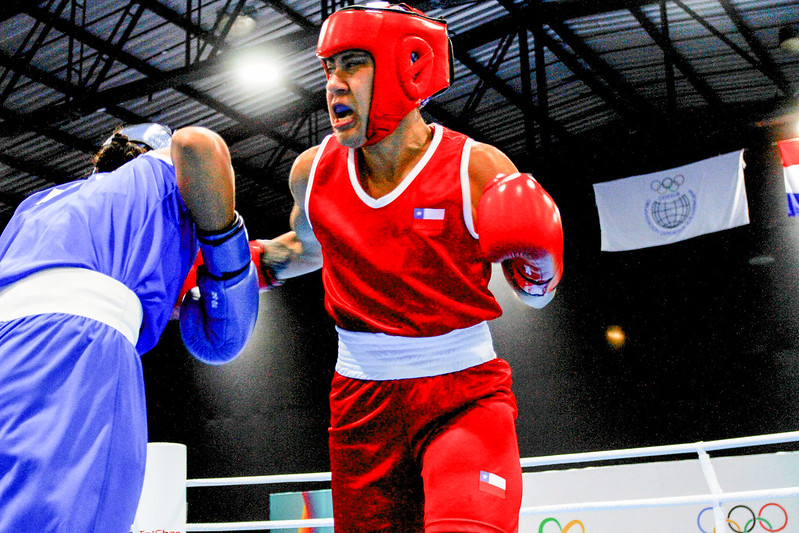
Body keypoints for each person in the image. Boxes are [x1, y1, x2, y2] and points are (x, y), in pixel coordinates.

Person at [253, 3, 564, 532]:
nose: (334, 84)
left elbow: (536, 296)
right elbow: (309, 250)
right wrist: (231, 270)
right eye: (329, 67)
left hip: (463, 395)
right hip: (361, 404)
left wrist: (540, 266)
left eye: (353, 64)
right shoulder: (314, 173)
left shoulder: (475, 168)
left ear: (408, 66)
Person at [0, 123, 260, 532]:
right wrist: (225, 246)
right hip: (76, 348)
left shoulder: (40, 204)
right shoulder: (157, 172)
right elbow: (195, 144)